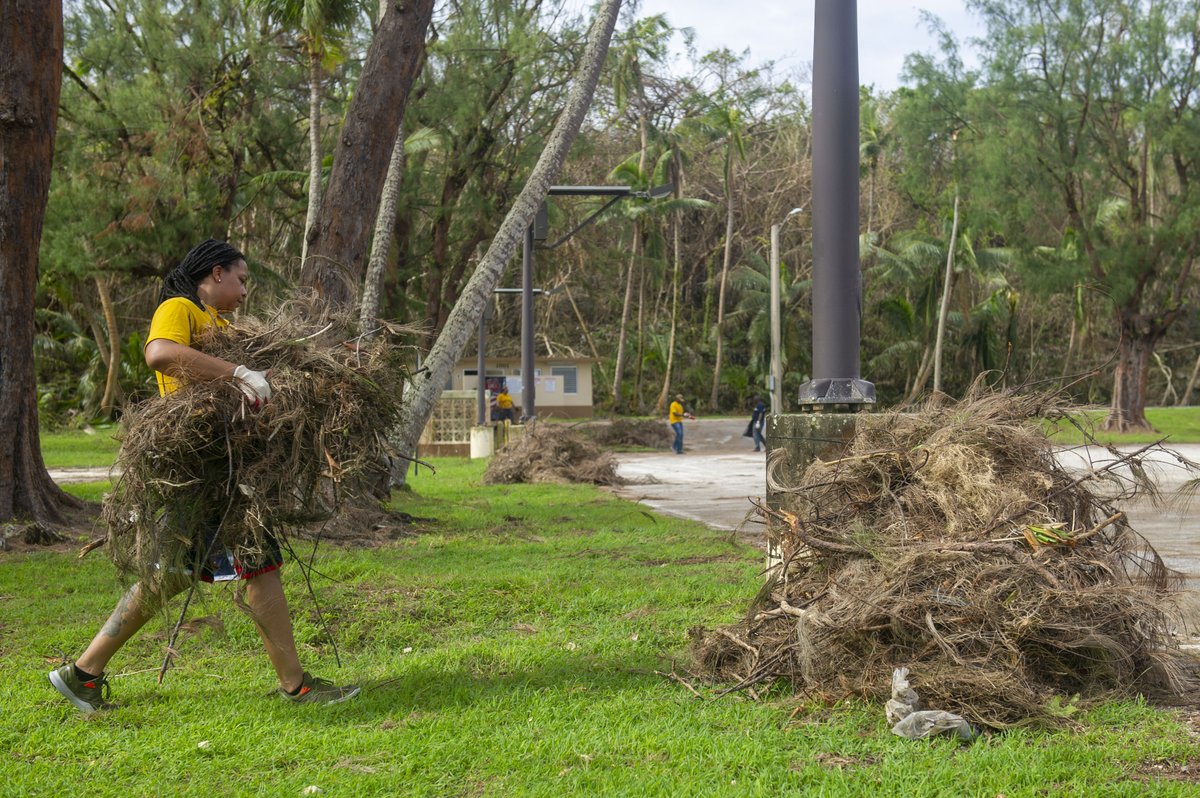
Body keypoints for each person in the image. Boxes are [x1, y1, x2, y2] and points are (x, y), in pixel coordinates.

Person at [48, 239, 360, 713]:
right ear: (215, 274)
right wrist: (239, 372)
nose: (243, 290)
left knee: (173, 572)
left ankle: (83, 674)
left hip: (215, 462)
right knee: (257, 561)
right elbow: (159, 354)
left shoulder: (219, 323)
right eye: (240, 279)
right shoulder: (180, 307)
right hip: (200, 464)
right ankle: (297, 687)